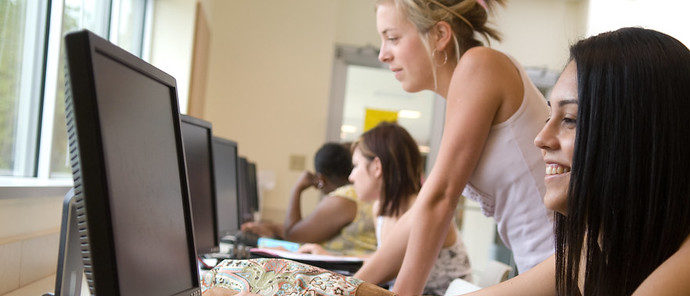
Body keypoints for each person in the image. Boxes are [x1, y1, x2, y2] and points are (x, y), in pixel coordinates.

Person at [463, 27, 690, 296]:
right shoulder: (596, 247)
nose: (541, 138)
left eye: (570, 119)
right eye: (549, 117)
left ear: (638, 134)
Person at [355, 0, 555, 293]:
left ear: (440, 35)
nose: (383, 54)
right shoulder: (468, 81)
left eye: (393, 38)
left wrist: (402, 294)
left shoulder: (480, 65)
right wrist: (348, 285)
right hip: (541, 268)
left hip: (562, 269)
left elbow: (441, 197)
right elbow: (424, 207)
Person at [242, 143, 377, 256]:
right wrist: (271, 227)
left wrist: (297, 189)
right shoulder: (351, 196)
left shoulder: (342, 199)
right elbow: (307, 229)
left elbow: (293, 235)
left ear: (321, 179)